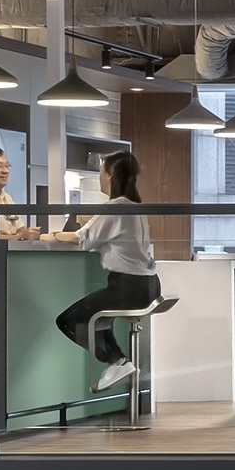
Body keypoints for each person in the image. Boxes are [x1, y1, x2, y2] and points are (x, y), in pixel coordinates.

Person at [57, 149, 160, 388]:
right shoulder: (136, 207)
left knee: (69, 321)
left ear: (111, 175)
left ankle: (116, 361)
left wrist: (47, 235)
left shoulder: (115, 207)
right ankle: (117, 360)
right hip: (149, 284)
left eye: (101, 172)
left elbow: (81, 238)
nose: (99, 177)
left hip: (128, 286)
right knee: (98, 318)